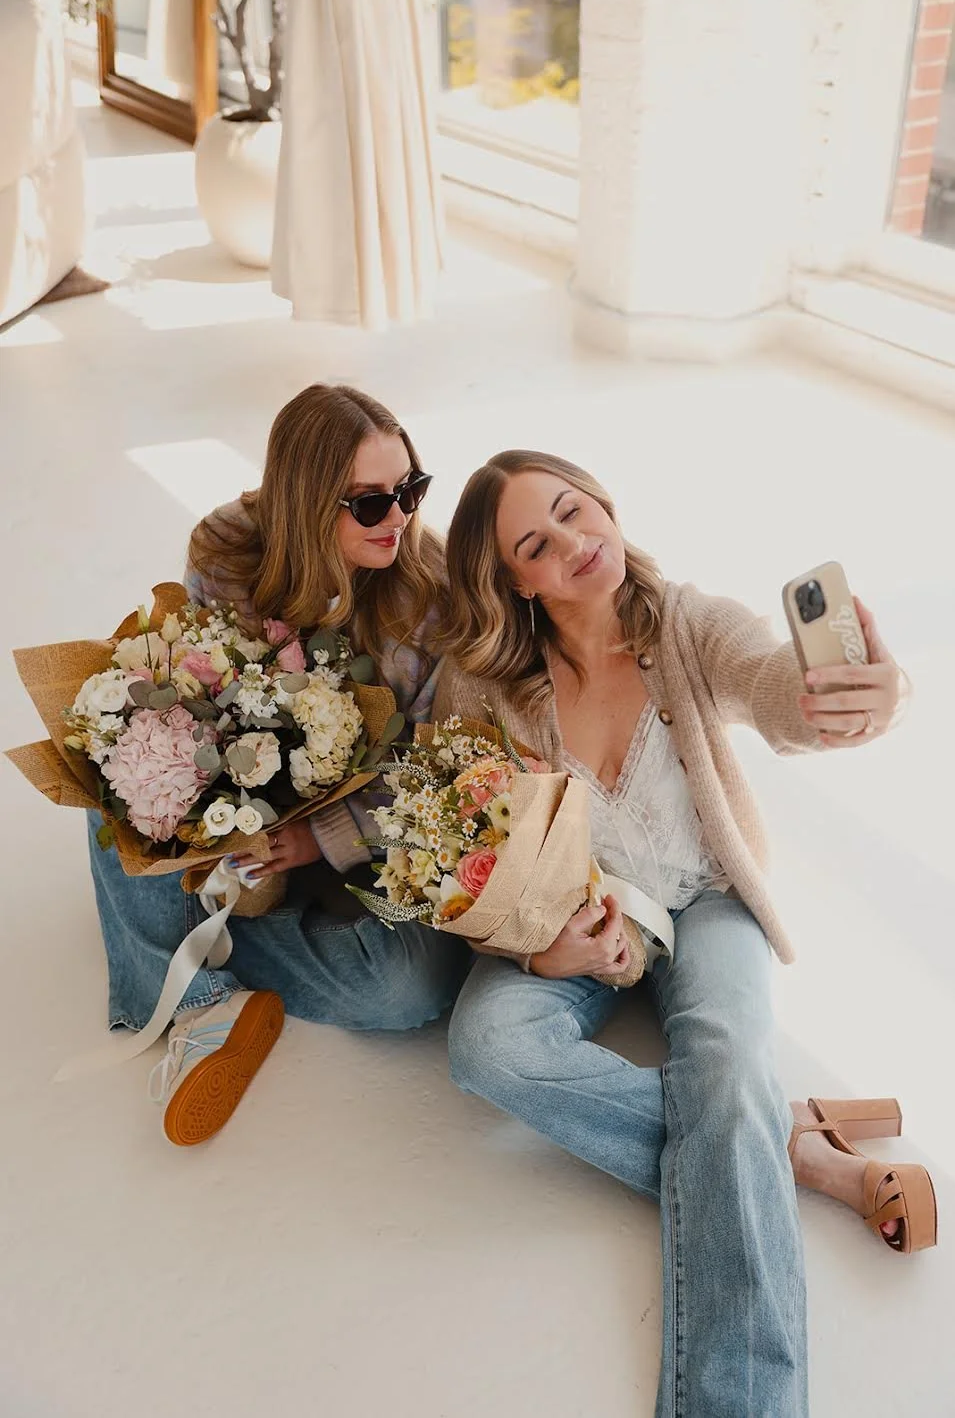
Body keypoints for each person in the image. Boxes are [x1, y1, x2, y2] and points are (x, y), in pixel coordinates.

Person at [433, 449, 936, 1418]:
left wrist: (861, 697)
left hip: (706, 899)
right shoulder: (482, 689)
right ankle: (773, 1140)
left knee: (725, 1055)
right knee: (487, 1046)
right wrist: (542, 948)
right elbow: (465, 857)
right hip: (574, 915)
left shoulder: (689, 622)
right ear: (512, 583)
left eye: (578, 511)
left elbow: (774, 686)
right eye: (537, 543)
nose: (577, 544)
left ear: (608, 504)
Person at [87, 383, 470, 1145]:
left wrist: (315, 837)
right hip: (241, 809)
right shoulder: (226, 550)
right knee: (118, 755)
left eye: (410, 490)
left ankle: (178, 968)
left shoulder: (432, 596)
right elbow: (201, 696)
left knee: (408, 988)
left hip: (373, 841)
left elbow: (437, 772)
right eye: (368, 503)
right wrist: (224, 808)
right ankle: (204, 996)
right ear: (302, 500)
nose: (398, 518)